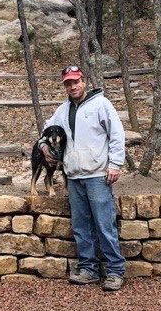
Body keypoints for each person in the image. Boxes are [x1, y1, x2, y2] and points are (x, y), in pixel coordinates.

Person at [41, 65, 126, 291]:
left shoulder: (101, 104)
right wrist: (43, 145)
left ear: (84, 81)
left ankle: (115, 271)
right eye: (68, 83)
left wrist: (115, 164)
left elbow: (116, 134)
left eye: (76, 81)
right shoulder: (62, 110)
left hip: (97, 174)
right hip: (73, 176)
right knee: (81, 226)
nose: (73, 86)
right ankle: (89, 269)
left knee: (104, 224)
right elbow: (47, 128)